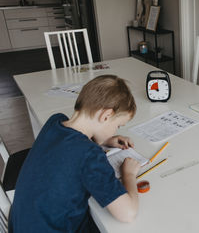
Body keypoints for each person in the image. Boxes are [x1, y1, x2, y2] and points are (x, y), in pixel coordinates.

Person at [9, 75, 141, 232]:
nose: (116, 130)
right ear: (106, 116)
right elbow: (127, 213)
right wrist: (128, 175)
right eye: (118, 125)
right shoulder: (90, 155)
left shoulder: (55, 121)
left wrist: (104, 140)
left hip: (21, 224)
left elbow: (69, 145)